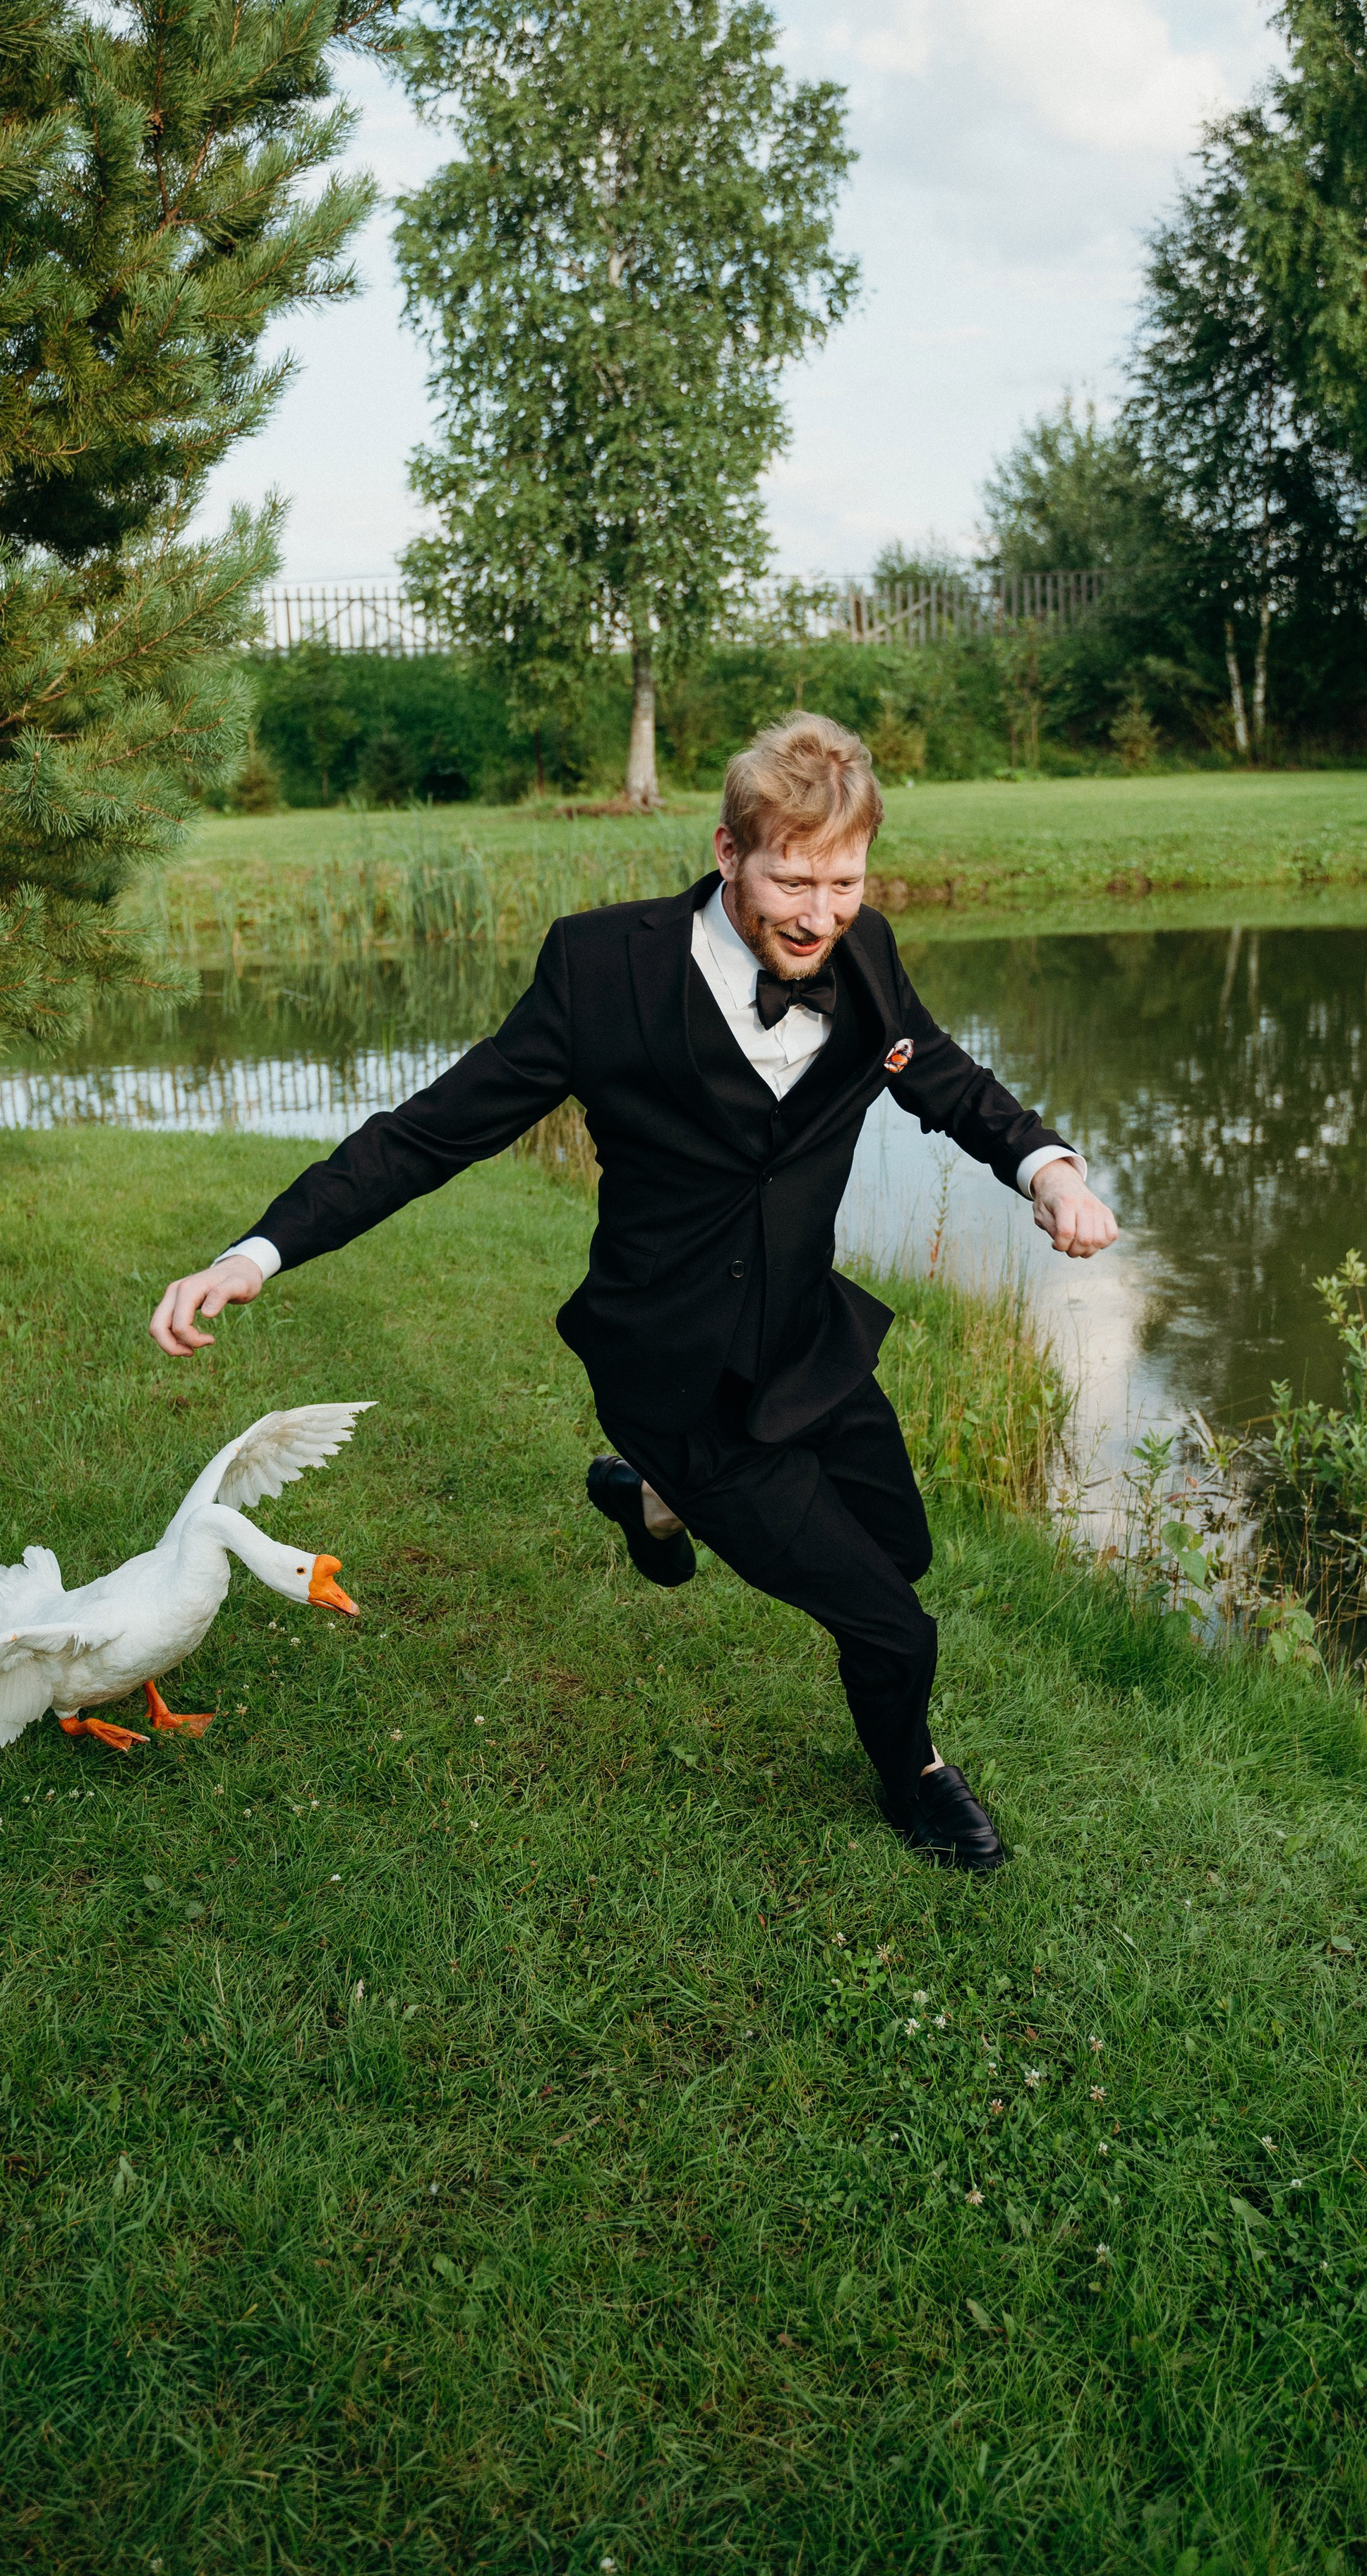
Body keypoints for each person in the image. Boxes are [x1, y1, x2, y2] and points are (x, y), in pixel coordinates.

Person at [150, 715, 1117, 1869]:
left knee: (896, 1549)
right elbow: (427, 1136)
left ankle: (652, 1504)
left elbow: (944, 1079)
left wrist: (1046, 1169)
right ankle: (914, 1778)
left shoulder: (866, 954)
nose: (820, 911)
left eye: (845, 879)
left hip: (807, 1342)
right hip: (672, 1367)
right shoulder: (600, 970)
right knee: (891, 1620)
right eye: (792, 879)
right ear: (727, 853)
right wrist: (254, 1254)